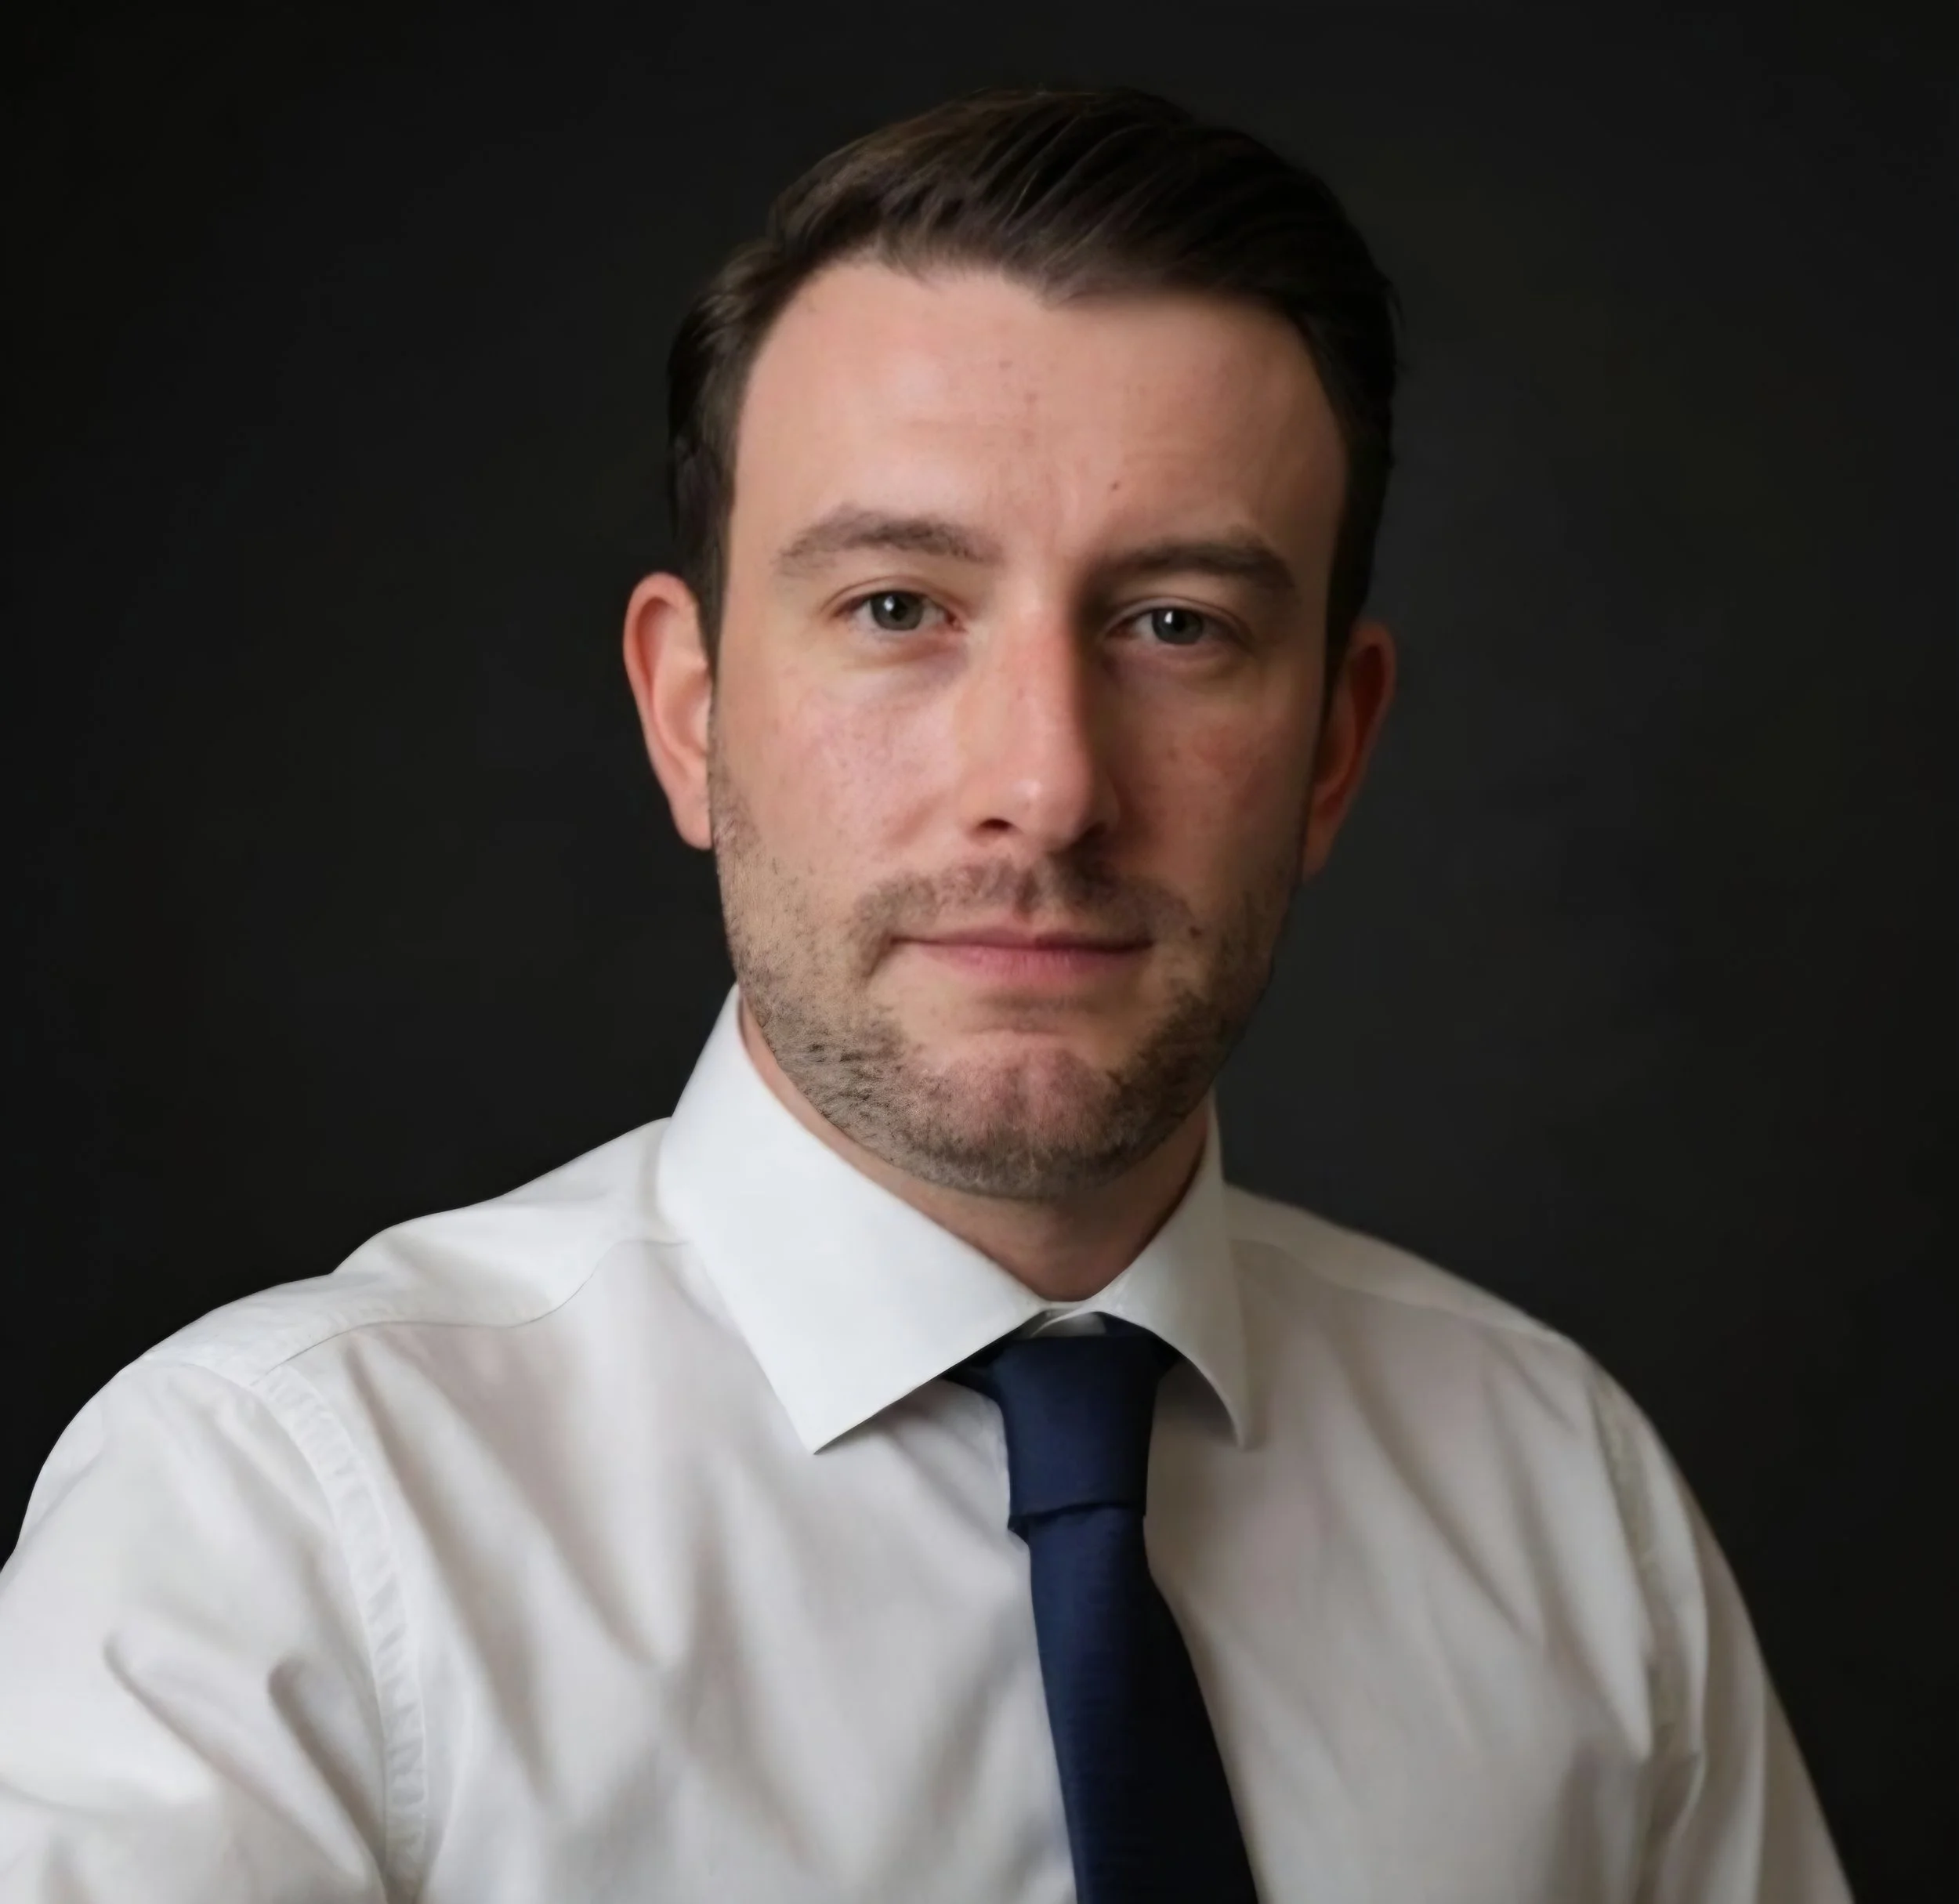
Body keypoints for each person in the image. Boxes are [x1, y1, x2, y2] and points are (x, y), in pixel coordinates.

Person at [0, 86, 1849, 1904]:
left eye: (1177, 626)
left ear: (1334, 750)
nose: (1045, 786)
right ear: (691, 711)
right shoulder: (273, 1533)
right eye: (897, 606)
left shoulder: (1563, 1498)